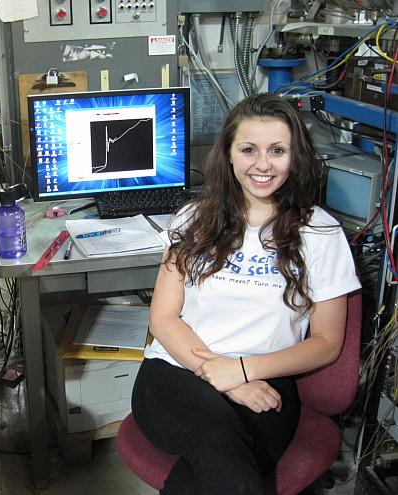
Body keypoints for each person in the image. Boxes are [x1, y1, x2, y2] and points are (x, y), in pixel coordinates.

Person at [131, 93, 361, 494]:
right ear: (230, 155)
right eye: (249, 150)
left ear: (296, 157)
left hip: (267, 382)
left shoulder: (320, 234)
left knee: (218, 473)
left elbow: (326, 343)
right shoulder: (192, 219)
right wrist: (224, 375)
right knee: (219, 437)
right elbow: (163, 318)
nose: (263, 164)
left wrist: (241, 371)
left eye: (277, 151)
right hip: (176, 372)